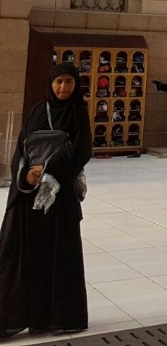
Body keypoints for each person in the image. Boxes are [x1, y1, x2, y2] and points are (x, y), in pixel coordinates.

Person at [0, 62, 91, 337]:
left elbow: (82, 149)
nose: (63, 88)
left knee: (57, 254)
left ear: (76, 85)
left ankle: (58, 318)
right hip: (28, 196)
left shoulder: (78, 112)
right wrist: (26, 174)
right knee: (19, 252)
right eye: (58, 82)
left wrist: (49, 171)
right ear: (51, 84)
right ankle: (18, 316)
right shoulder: (39, 110)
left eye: (69, 82)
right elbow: (21, 147)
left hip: (58, 196)